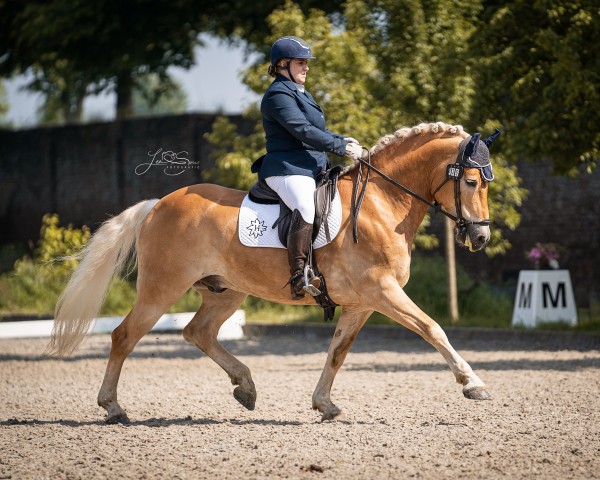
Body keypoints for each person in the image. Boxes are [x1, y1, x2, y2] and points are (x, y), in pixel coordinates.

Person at [255, 36, 364, 300]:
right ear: (282, 64)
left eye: (306, 62)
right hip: (287, 168)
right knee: (305, 206)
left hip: (311, 167)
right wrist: (339, 147)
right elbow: (301, 130)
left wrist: (341, 140)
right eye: (301, 62)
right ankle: (299, 275)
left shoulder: (300, 91)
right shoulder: (278, 94)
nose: (306, 67)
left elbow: (317, 130)